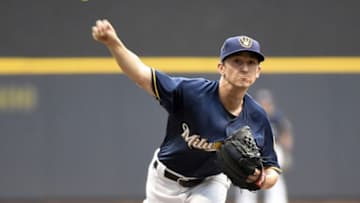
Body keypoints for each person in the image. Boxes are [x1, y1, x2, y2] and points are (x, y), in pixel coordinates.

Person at [92, 19, 281, 203]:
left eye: (251, 63)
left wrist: (262, 178)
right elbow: (142, 75)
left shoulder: (257, 116)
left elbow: (272, 168)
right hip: (164, 181)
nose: (245, 68)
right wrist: (113, 43)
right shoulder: (193, 93)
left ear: (258, 72)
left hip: (210, 182)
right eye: (237, 61)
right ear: (221, 68)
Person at [235, 89, 294, 203]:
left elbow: (285, 133)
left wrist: (286, 151)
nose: (265, 106)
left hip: (273, 148)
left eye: (267, 103)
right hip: (253, 149)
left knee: (274, 176)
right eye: (262, 103)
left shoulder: (276, 117)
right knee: (249, 177)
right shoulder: (250, 116)